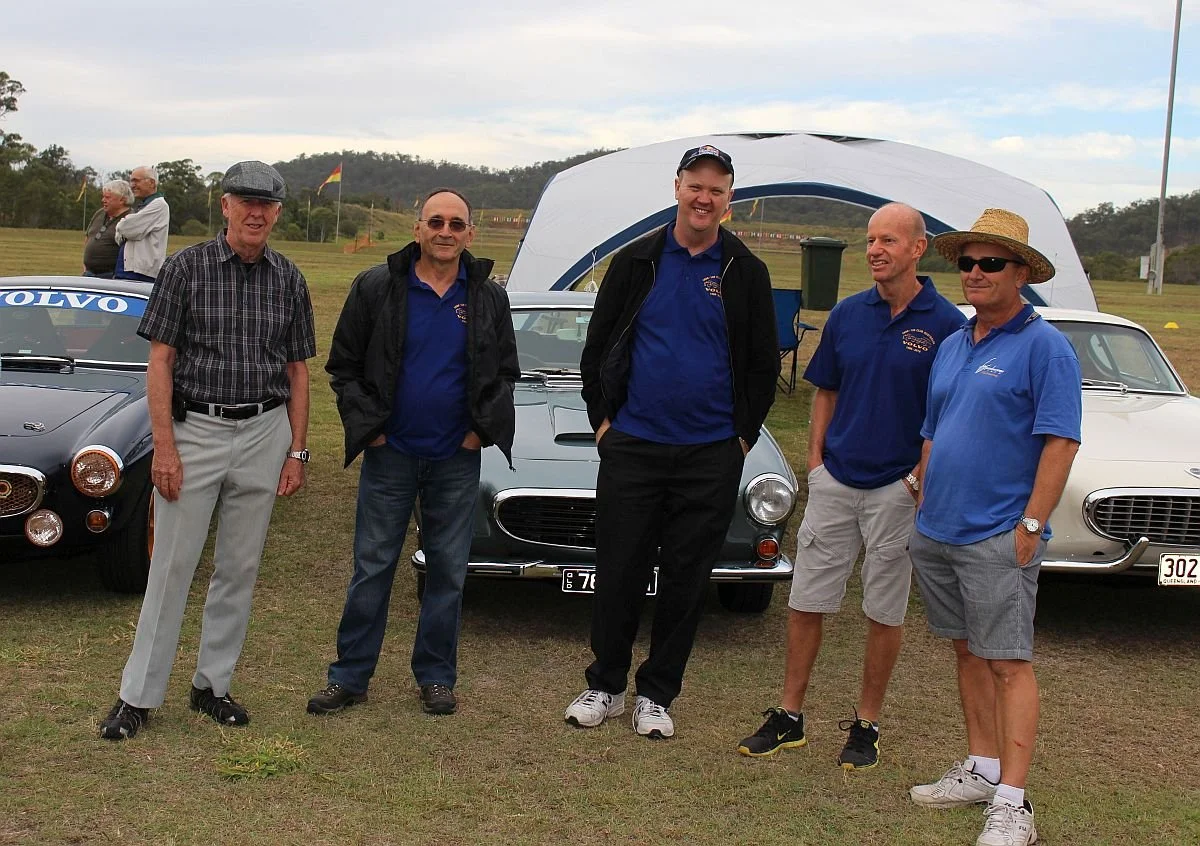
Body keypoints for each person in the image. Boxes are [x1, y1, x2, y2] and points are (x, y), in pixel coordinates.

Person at [736, 203, 964, 768]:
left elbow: (951, 411)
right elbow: (827, 391)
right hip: (836, 479)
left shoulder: (948, 324)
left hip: (897, 490)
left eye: (888, 240)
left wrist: (917, 474)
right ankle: (789, 716)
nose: (875, 250)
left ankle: (867, 725)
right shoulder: (847, 314)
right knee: (806, 600)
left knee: (884, 611)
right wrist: (816, 461)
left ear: (918, 248)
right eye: (869, 240)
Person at [565, 145, 778, 739]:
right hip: (633, 444)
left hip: (711, 451)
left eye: (717, 189)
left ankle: (656, 694)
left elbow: (763, 365)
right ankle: (604, 684)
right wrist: (605, 423)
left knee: (686, 579)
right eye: (695, 186)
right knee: (619, 570)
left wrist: (740, 438)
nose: (704, 198)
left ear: (729, 200)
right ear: (677, 187)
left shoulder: (745, 271)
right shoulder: (636, 262)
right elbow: (598, 349)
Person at [98, 161, 316, 740]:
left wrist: (297, 451)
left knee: (239, 568)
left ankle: (211, 685)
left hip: (264, 433)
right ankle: (137, 696)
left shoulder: (289, 278)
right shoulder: (186, 268)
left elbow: (297, 371)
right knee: (171, 567)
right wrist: (164, 448)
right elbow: (161, 362)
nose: (256, 212)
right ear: (225, 206)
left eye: (267, 204)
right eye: (246, 201)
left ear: (277, 213)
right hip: (196, 431)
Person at [907, 208, 1081, 846]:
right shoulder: (955, 342)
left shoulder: (1045, 347)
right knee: (966, 650)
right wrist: (923, 493)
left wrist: (1031, 522)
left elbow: (1060, 442)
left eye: (991, 264)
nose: (975, 274)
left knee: (1009, 662)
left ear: (1022, 274)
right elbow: (933, 427)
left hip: (998, 531)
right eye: (967, 263)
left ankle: (1013, 802)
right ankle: (981, 768)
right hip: (939, 529)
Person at [309, 188, 517, 718]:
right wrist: (372, 431)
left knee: (447, 571)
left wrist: (477, 434)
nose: (445, 232)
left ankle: (435, 678)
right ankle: (350, 676)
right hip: (390, 455)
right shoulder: (378, 287)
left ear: (471, 233)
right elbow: (343, 367)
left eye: (456, 224)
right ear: (418, 228)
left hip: (455, 458)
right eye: (436, 222)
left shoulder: (489, 296)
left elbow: (504, 374)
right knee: (372, 567)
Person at [114, 165, 170, 282]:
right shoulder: (145, 205)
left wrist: (122, 226)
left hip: (141, 273)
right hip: (130, 270)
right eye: (131, 181)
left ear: (152, 183)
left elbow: (126, 228)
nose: (132, 185)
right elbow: (129, 229)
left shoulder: (159, 205)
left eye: (136, 181)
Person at [82, 180, 133, 277]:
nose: (103, 200)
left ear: (122, 200)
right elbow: (88, 237)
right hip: (89, 273)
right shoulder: (100, 213)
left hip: (111, 276)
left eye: (107, 197)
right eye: (103, 196)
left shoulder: (131, 219)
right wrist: (85, 266)